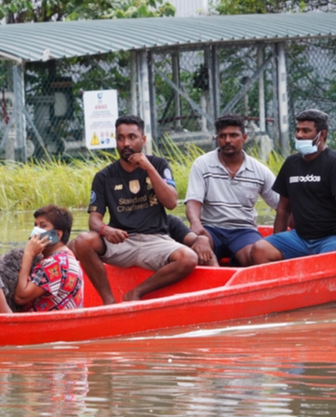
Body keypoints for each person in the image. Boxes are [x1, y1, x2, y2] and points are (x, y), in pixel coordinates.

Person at [68, 115, 197, 304]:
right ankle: (109, 301)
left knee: (188, 258)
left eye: (132, 137)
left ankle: (136, 293)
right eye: (120, 138)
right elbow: (94, 221)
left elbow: (170, 202)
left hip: (154, 240)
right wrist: (106, 230)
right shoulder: (104, 176)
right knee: (83, 240)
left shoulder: (159, 165)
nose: (125, 143)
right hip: (121, 243)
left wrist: (149, 168)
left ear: (143, 140)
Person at [250, 109, 336, 264]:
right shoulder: (291, 164)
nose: (299, 135)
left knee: (326, 260)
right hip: (301, 238)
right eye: (298, 130)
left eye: (306, 131)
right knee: (259, 250)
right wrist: (277, 240)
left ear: (321, 135)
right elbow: (283, 209)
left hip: (331, 237)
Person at [185, 114, 280, 266]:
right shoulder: (202, 164)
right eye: (223, 136)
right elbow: (193, 202)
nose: (228, 140)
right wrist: (195, 223)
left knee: (256, 257)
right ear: (217, 138)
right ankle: (216, 284)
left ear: (244, 137)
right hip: (210, 229)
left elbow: (282, 206)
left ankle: (236, 263)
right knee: (196, 250)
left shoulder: (260, 170)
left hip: (244, 230)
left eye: (233, 135)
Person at [14, 205, 84, 312]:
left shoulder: (56, 262)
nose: (36, 230)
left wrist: (28, 254)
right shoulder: (65, 256)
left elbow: (20, 297)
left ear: (57, 235)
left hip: (45, 326)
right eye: (35, 225)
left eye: (43, 226)